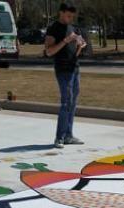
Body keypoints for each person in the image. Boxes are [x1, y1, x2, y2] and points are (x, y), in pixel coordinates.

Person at [45, 2, 86, 149]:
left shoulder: (73, 28)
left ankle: (69, 135)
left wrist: (80, 46)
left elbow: (75, 52)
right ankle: (59, 137)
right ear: (61, 13)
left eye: (72, 16)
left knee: (73, 103)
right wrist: (65, 40)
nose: (70, 18)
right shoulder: (53, 28)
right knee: (66, 102)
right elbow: (49, 52)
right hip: (63, 70)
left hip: (75, 68)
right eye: (68, 15)